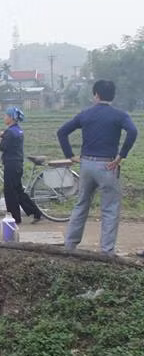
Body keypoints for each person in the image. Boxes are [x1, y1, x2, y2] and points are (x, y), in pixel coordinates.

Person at [57, 79, 137, 254]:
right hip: (108, 165)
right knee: (110, 208)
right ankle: (107, 251)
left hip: (86, 164)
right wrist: (121, 156)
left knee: (81, 204)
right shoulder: (120, 115)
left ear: (96, 95)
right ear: (112, 96)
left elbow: (62, 131)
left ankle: (70, 246)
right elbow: (133, 131)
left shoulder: (86, 114)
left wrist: (70, 155)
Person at [0, 106, 43, 226]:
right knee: (18, 191)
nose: (4, 118)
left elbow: (2, 147)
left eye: (5, 116)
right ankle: (36, 213)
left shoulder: (9, 132)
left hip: (11, 164)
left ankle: (14, 218)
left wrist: (1, 137)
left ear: (11, 118)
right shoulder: (18, 130)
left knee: (10, 192)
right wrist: (4, 135)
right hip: (18, 163)